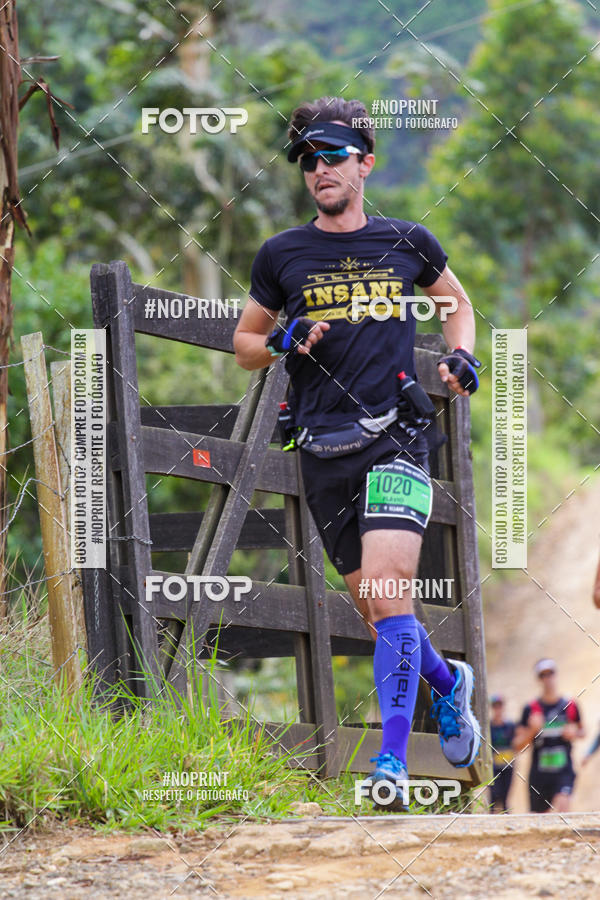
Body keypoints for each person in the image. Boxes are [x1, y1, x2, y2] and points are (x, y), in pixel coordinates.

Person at [233, 96, 482, 810]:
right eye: (308, 159)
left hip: (397, 437)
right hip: (322, 447)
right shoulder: (281, 255)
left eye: (334, 155)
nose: (320, 170)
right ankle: (447, 683)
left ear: (366, 163)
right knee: (377, 612)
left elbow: (456, 302)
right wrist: (280, 339)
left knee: (390, 594)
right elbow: (245, 346)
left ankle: (391, 763)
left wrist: (462, 356)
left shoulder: (408, 241)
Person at [513, 658, 585, 813]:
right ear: (539, 679)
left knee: (563, 810)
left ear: (556, 675)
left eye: (550, 674)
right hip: (540, 775)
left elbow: (583, 731)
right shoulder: (530, 708)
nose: (548, 679)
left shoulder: (570, 705)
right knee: (539, 821)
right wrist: (532, 731)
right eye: (543, 675)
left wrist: (574, 733)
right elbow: (517, 746)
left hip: (563, 771)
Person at [488, 694, 515, 813]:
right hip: (494, 766)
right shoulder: (489, 727)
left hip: (507, 765)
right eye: (495, 706)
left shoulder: (510, 726)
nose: (498, 709)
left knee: (505, 796)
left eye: (499, 706)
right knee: (494, 795)